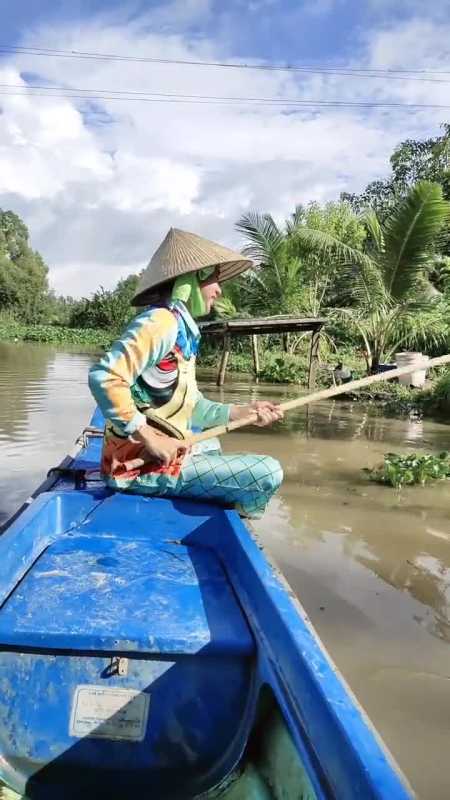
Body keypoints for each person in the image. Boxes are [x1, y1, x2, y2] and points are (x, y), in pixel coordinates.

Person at [88, 228, 284, 518]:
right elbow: (105, 377)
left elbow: (190, 407)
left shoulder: (181, 330)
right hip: (139, 466)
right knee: (268, 472)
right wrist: (149, 437)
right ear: (190, 280)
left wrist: (243, 412)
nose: (219, 290)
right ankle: (241, 517)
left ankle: (213, 497)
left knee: (211, 442)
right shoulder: (160, 322)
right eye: (214, 279)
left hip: (157, 455)